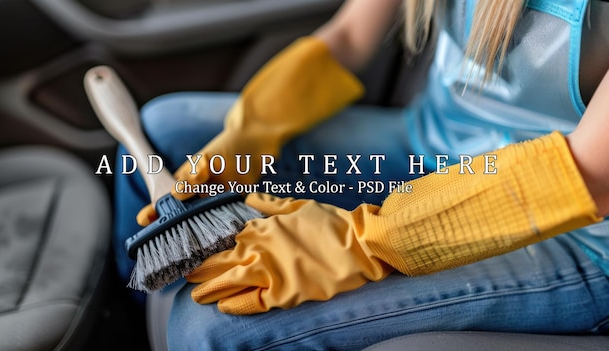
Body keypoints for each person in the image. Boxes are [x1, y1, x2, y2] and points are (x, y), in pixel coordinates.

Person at [113, 0, 609, 349]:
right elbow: (350, 34)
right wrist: (253, 132)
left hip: (576, 227)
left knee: (209, 328)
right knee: (166, 130)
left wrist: (360, 241)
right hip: (432, 144)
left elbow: (591, 175)